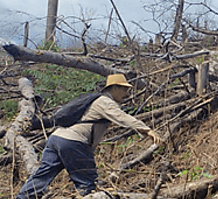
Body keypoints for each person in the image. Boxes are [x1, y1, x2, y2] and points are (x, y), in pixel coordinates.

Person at [16, 74, 163, 199]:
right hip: (74, 142)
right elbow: (122, 117)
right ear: (115, 88)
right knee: (87, 186)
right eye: (124, 89)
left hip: (56, 138)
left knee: (42, 176)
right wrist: (147, 130)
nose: (127, 94)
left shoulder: (95, 100)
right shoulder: (105, 101)